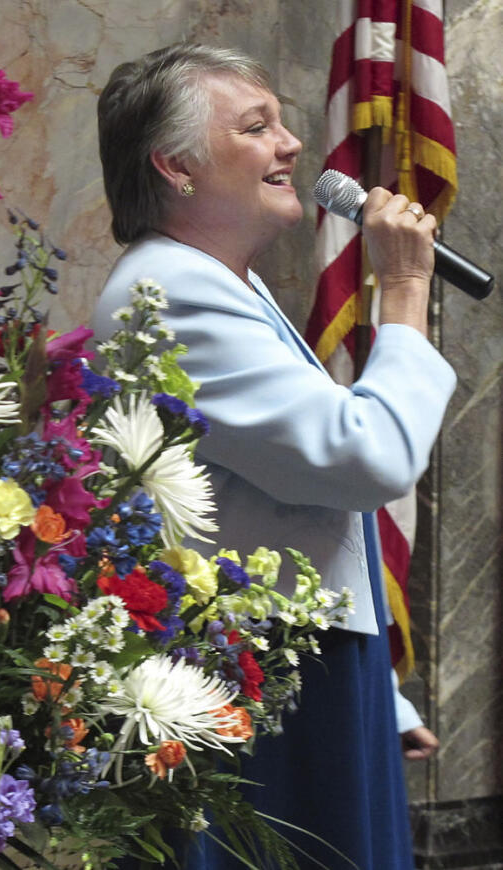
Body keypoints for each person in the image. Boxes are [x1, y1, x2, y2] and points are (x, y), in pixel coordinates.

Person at [92, 44, 454, 868]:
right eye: (257, 128)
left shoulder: (221, 280)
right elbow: (366, 463)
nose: (292, 146)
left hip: (301, 664)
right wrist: (401, 293)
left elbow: (278, 505)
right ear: (175, 165)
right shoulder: (171, 292)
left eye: (283, 124)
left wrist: (383, 699)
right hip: (250, 680)